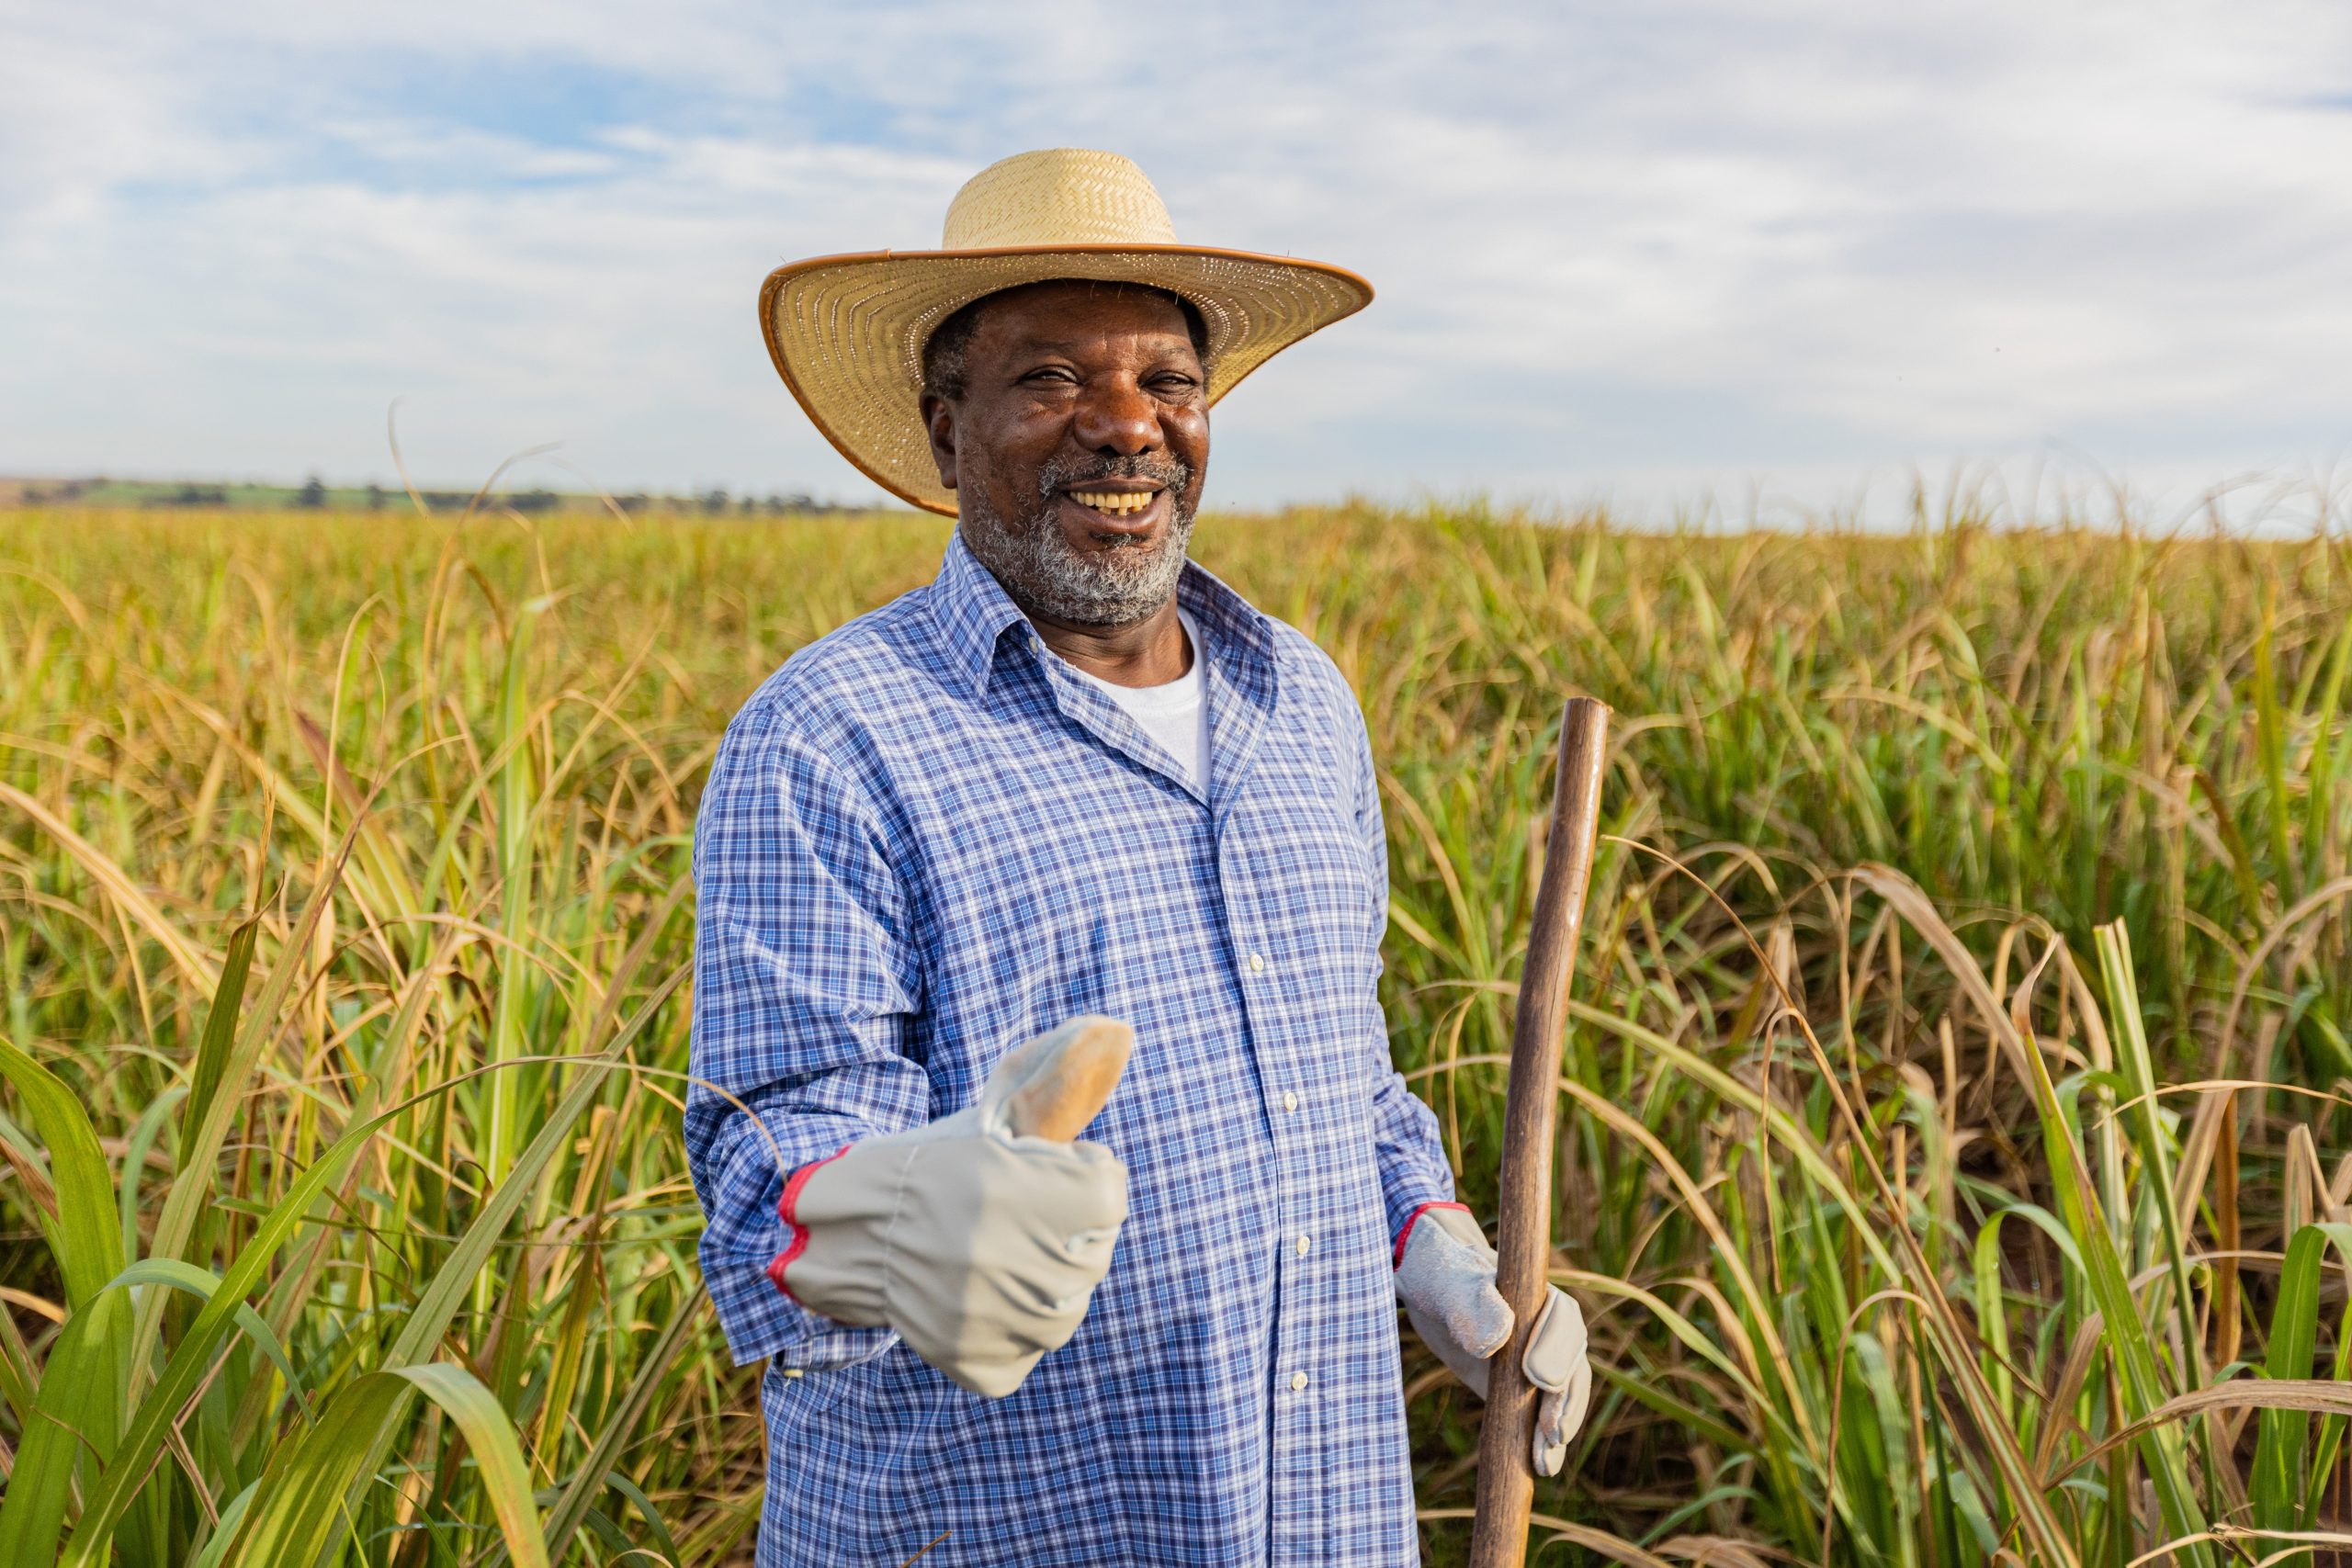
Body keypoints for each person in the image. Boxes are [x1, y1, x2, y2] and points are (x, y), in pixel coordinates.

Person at [687, 147, 1595, 1567]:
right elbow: (773, 1157)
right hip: (995, 1530)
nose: (1127, 428)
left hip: (1323, 1516)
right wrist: (891, 1217)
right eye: (1052, 379)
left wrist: (1436, 1244)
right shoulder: (831, 733)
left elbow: (1339, 1074)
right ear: (943, 433)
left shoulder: (1302, 700)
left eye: (1169, 383)